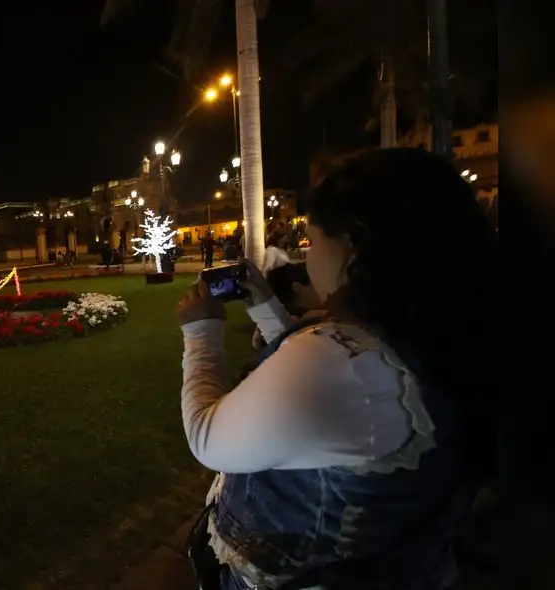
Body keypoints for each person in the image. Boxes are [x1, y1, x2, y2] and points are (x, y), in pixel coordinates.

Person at [177, 148, 499, 589]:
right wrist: (266, 307)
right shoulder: (435, 333)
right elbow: (334, 405)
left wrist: (201, 333)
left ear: (353, 243)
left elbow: (207, 437)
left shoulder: (342, 364)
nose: (307, 258)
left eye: (312, 240)